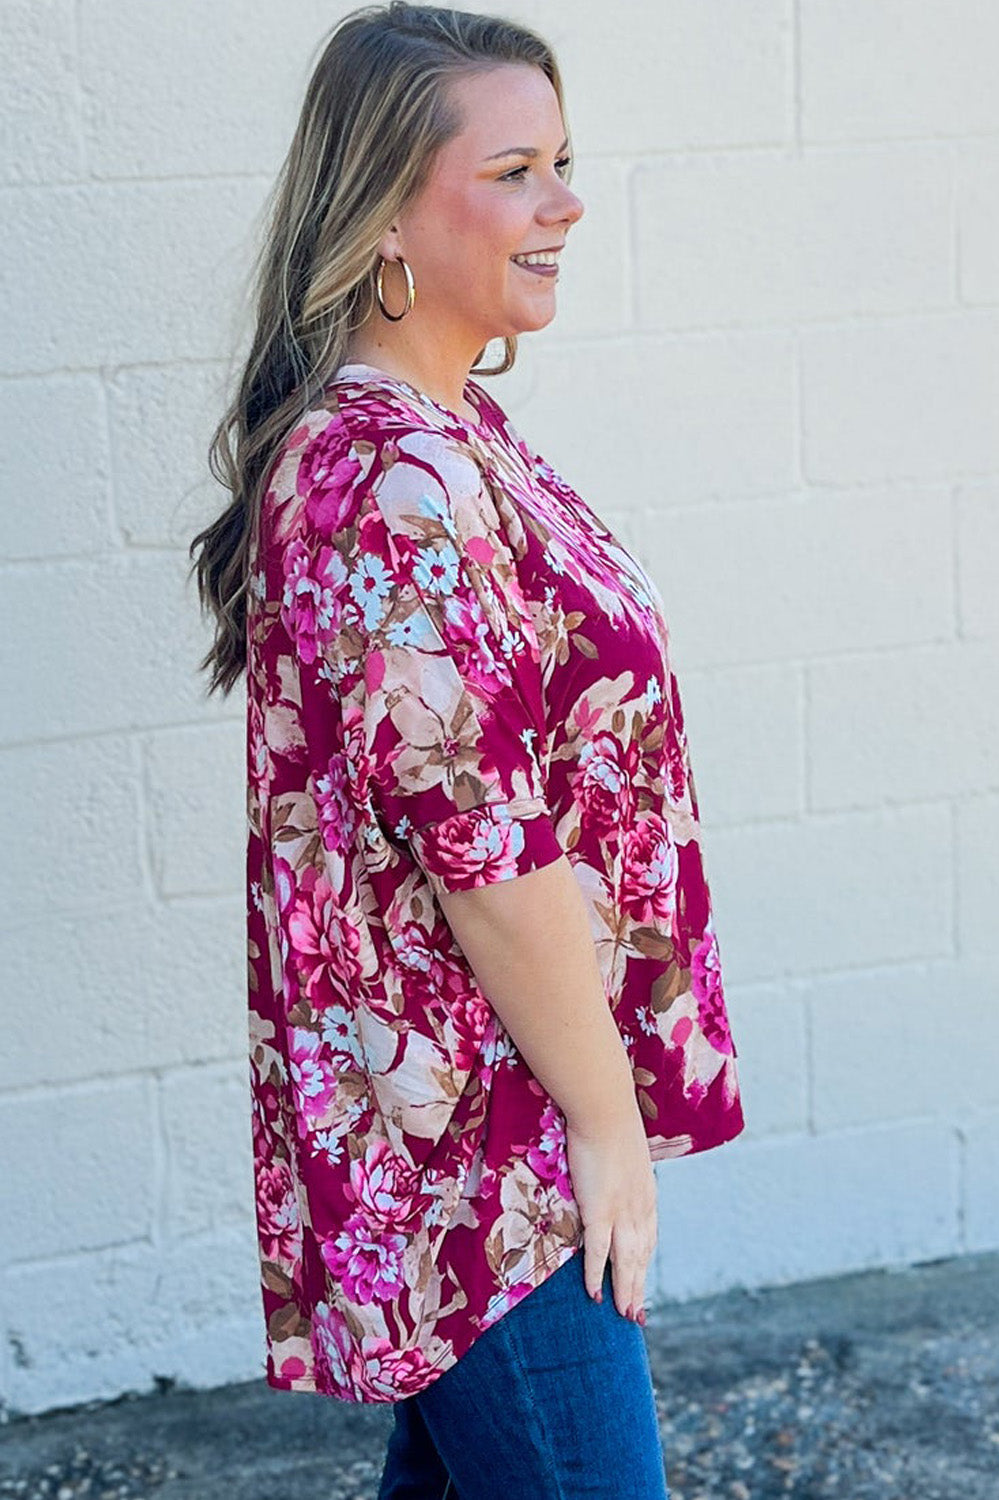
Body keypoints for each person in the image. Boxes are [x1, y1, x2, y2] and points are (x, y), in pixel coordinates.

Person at [188, 4, 745, 1495]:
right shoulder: (390, 479)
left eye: (563, 161)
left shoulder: (450, 433)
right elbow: (485, 852)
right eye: (514, 170)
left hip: (475, 1129)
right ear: (381, 217)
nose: (564, 203)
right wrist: (603, 1124)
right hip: (481, 1155)